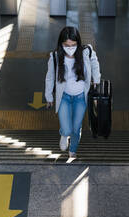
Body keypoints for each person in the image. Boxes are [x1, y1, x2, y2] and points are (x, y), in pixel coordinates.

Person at [45, 26, 101, 159]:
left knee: (76, 129)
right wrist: (49, 96)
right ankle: (64, 134)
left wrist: (96, 79)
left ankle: (73, 150)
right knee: (67, 128)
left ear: (78, 43)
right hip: (64, 96)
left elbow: (94, 63)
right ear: (61, 44)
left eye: (73, 45)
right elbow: (50, 77)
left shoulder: (86, 51)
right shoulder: (55, 57)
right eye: (66, 45)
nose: (70, 48)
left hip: (81, 97)